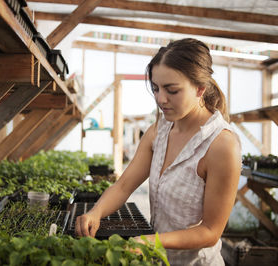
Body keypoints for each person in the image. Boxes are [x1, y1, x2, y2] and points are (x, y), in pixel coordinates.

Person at [75, 38, 242, 265]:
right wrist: (96, 212)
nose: (160, 99)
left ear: (200, 89)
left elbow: (210, 231)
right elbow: (123, 186)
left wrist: (151, 241)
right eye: (155, 88)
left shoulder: (221, 145)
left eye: (172, 90)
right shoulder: (159, 130)